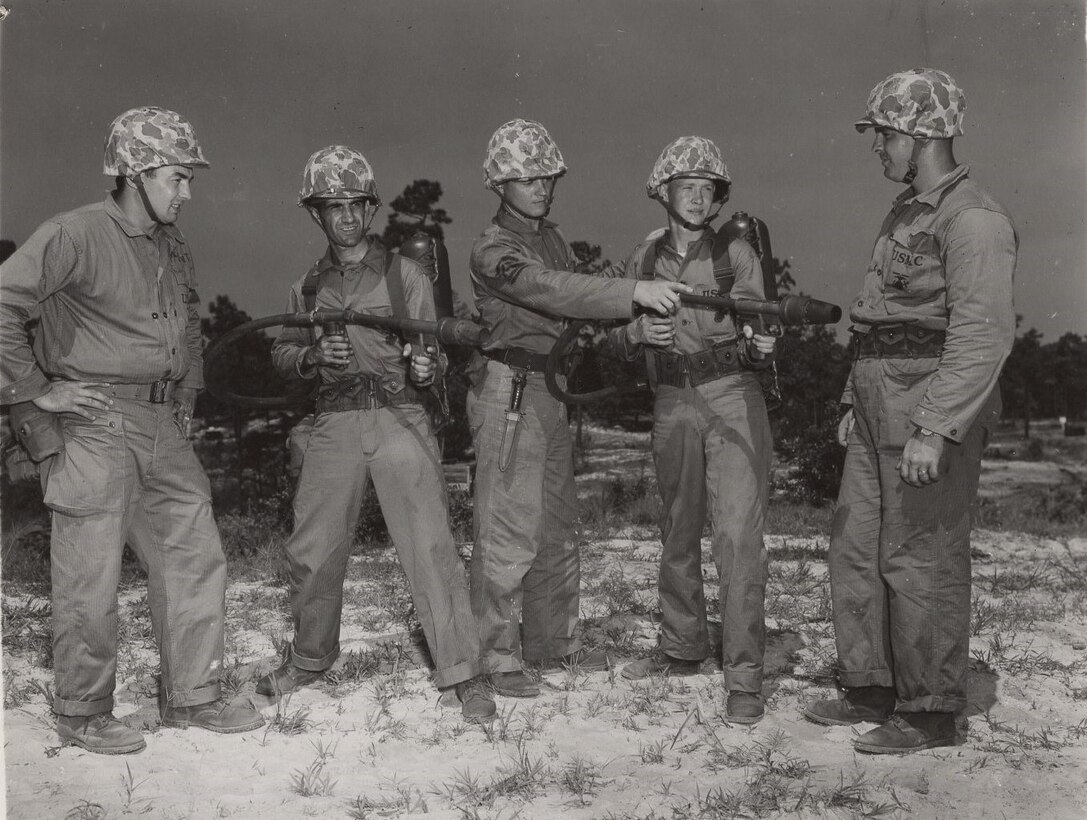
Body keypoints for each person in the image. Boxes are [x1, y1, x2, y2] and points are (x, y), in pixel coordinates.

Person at [0, 106, 264, 754]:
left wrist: (186, 395)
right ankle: (83, 711)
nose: (187, 192)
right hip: (94, 422)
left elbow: (189, 322)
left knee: (193, 553)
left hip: (161, 423)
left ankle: (193, 695)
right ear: (135, 173)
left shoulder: (172, 244)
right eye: (178, 177)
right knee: (90, 572)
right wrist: (35, 392)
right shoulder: (74, 234)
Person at [802, 69, 1016, 753]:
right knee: (857, 548)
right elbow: (878, 313)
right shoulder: (905, 212)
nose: (877, 148)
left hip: (924, 399)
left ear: (920, 135)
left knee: (921, 556)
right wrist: (851, 397)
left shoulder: (972, 219)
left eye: (885, 135)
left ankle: (928, 711)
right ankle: (871, 686)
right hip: (876, 397)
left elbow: (982, 336)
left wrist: (935, 427)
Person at [260, 146, 496, 723]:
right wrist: (311, 356)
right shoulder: (306, 287)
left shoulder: (403, 274)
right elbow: (282, 352)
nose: (345, 216)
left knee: (429, 544)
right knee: (313, 549)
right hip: (334, 421)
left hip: (398, 415)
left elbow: (432, 350)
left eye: (355, 205)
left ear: (370, 209)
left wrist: (428, 367)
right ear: (316, 213)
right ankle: (310, 659)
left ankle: (463, 672)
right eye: (332, 206)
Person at [468, 119, 690, 698]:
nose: (541, 187)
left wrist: (633, 324)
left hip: (549, 387)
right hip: (511, 389)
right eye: (527, 178)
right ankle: (495, 656)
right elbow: (551, 289)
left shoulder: (552, 239)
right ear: (499, 185)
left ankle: (551, 643)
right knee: (507, 527)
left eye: (547, 177)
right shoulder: (494, 248)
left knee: (556, 526)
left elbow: (577, 315)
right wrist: (632, 292)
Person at [607, 137, 776, 724]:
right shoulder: (643, 258)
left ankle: (744, 676)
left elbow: (761, 324)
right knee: (678, 527)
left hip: (732, 395)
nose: (699, 199)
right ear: (664, 192)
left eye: (708, 189)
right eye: (687, 187)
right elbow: (611, 336)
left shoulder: (737, 254)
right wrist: (635, 335)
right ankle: (682, 647)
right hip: (671, 399)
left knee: (736, 533)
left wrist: (760, 341)